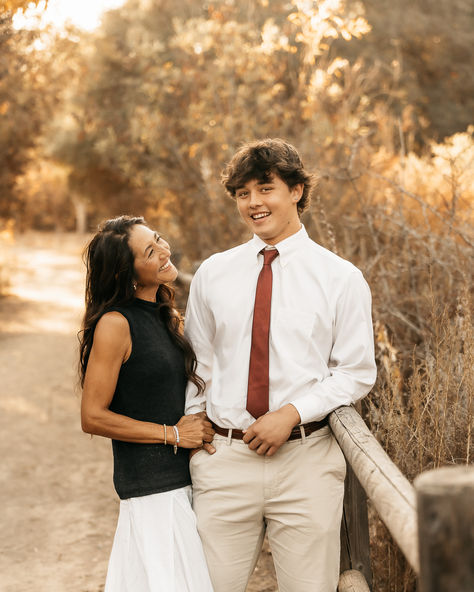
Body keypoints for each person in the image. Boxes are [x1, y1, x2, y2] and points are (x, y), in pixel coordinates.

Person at [184, 139, 377, 592]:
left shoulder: (340, 278)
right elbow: (197, 362)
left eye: (265, 188)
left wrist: (290, 413)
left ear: (296, 191)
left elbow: (356, 371)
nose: (253, 203)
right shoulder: (214, 273)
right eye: (242, 193)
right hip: (224, 461)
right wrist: (196, 430)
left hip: (305, 462)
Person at [79, 215, 214, 592]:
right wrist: (172, 433)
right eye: (150, 251)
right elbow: (92, 416)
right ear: (129, 272)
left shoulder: (164, 315)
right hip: (153, 490)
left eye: (159, 240)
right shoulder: (116, 324)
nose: (164, 252)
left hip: (182, 482)